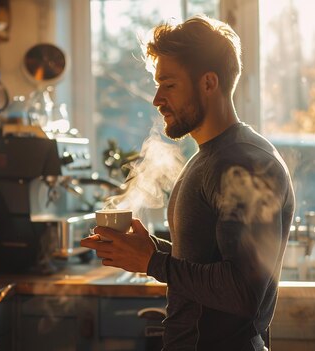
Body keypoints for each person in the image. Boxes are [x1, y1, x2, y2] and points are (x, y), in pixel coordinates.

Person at [81, 15, 295, 351]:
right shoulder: (210, 157)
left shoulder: (245, 164)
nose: (156, 99)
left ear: (208, 83)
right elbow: (208, 262)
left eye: (169, 84)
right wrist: (148, 251)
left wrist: (154, 263)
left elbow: (243, 292)